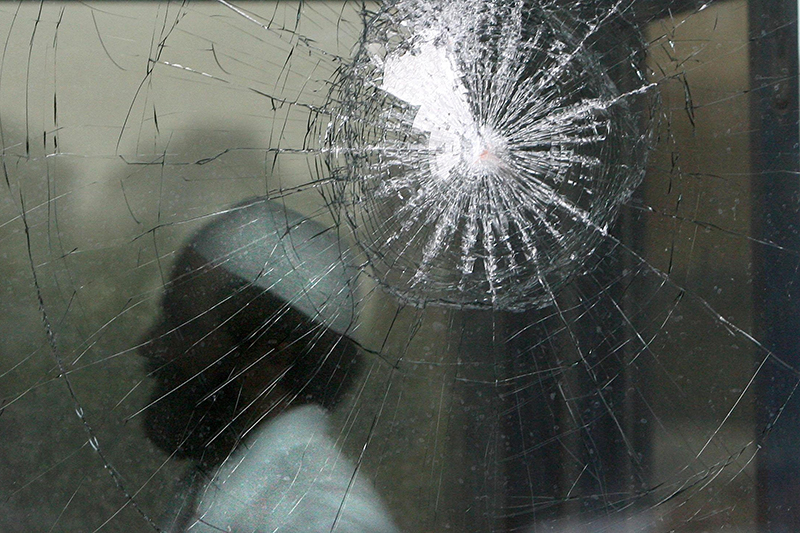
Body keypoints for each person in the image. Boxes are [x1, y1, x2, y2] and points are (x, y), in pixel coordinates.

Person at [139, 198, 399, 532]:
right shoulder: (212, 482)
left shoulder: (320, 520)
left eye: (182, 325)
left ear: (272, 355)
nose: (149, 345)